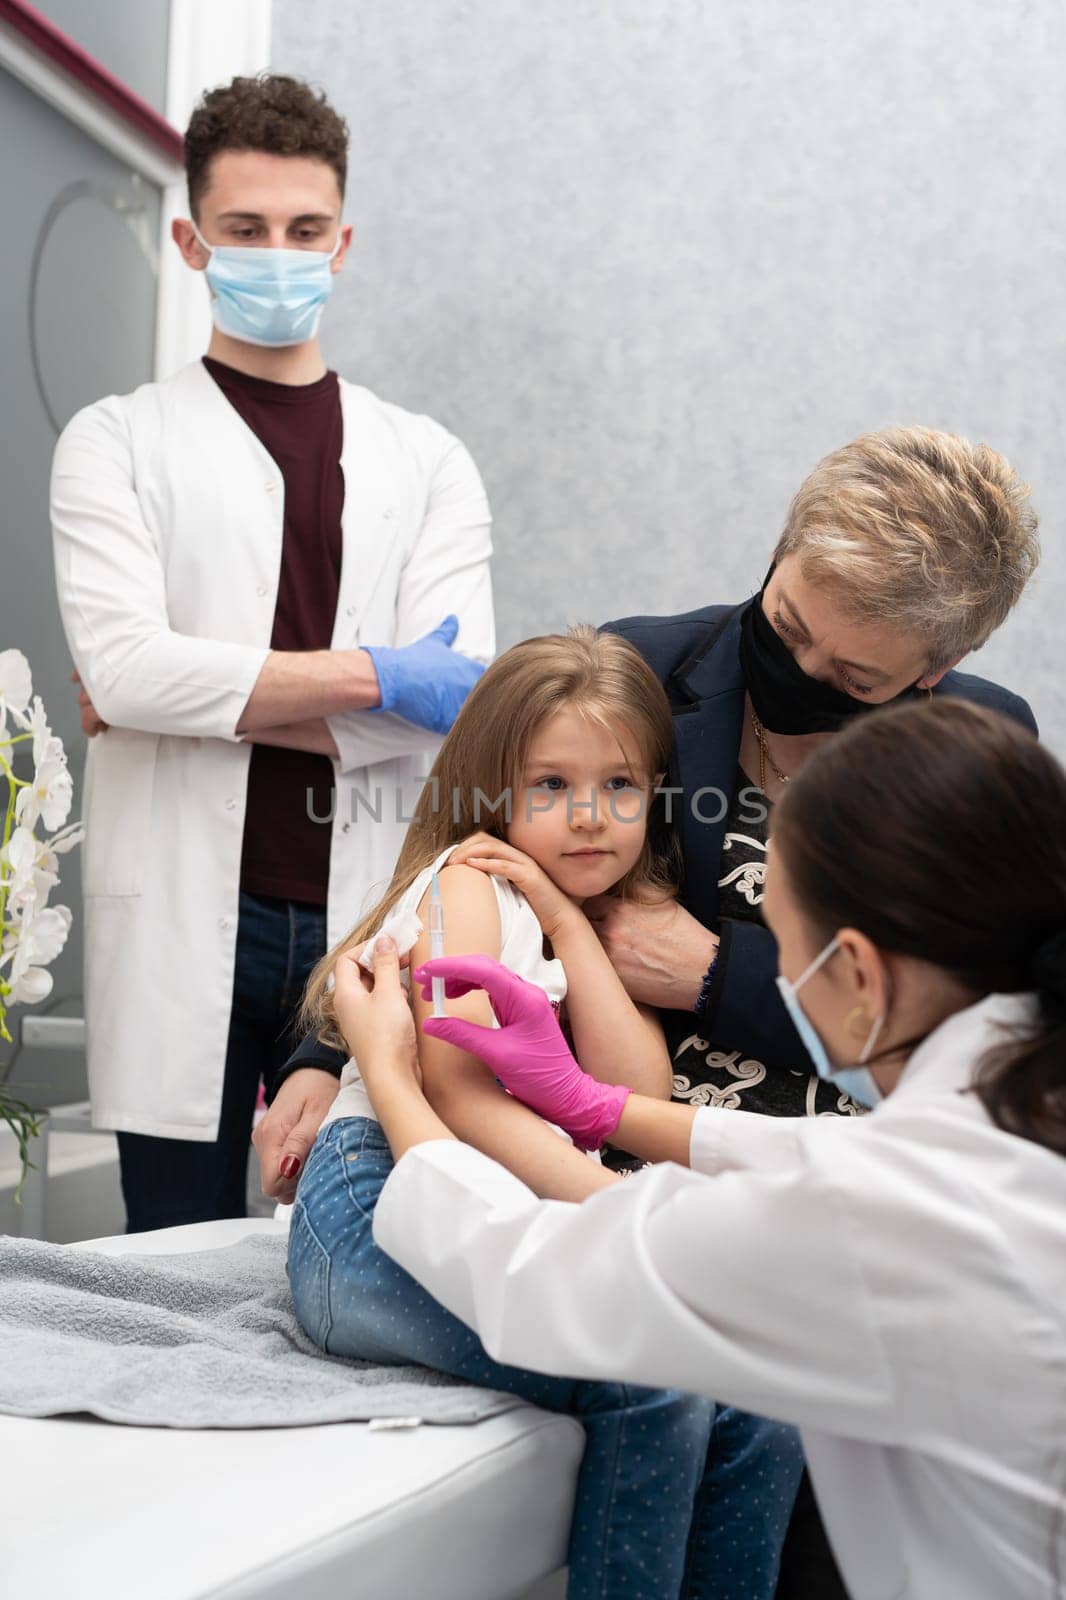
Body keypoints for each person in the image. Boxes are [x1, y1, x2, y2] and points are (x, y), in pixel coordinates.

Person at [337, 697, 1066, 1600]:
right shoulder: (1016, 1119)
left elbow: (525, 1271)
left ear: (861, 976)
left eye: (784, 953)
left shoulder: (882, 1209)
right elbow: (823, 1173)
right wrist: (594, 1106)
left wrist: (391, 1074)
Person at [50, 74, 494, 1231]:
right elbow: (129, 669)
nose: (277, 254)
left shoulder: (428, 460)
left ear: (343, 243)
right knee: (176, 1255)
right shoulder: (115, 443)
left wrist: (193, 693)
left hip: (362, 907)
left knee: (356, 1246)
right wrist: (378, 674)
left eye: (304, 231)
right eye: (245, 230)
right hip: (186, 905)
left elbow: (459, 706)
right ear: (193, 239)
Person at [287, 627, 804, 1599]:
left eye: (618, 786)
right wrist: (630, 1220)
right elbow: (459, 1098)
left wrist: (572, 923)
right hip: (372, 1215)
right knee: (648, 1384)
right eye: (551, 786)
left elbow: (632, 1093)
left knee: (764, 1407)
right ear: (492, 789)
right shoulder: (470, 891)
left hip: (480, 1204)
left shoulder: (572, 907)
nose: (589, 817)